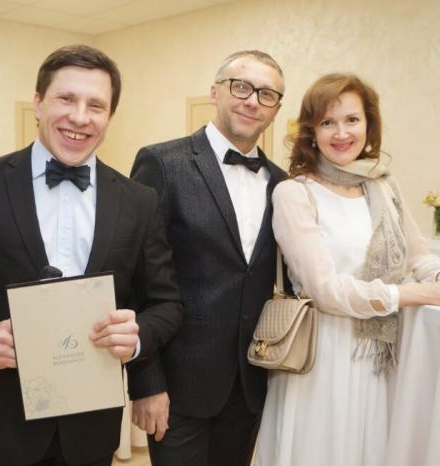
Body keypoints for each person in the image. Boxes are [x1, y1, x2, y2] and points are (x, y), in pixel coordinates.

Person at [0, 44, 183, 466]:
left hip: (90, 432)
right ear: (38, 103)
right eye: (66, 98)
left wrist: (137, 337)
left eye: (96, 105)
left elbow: (166, 303)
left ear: (110, 116)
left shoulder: (139, 200)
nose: (80, 117)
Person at [254, 73, 440, 466]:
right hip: (323, 359)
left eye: (352, 120)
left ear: (369, 124)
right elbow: (325, 291)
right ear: (311, 131)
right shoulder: (294, 192)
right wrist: (424, 293)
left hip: (381, 356)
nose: (341, 133)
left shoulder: (383, 186)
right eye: (327, 122)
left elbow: (418, 255)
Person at [128, 50, 288, 466]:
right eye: (241, 86)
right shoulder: (163, 163)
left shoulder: (283, 184)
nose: (252, 101)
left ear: (276, 109)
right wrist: (146, 382)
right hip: (179, 385)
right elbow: (137, 280)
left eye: (267, 94)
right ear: (215, 92)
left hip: (251, 383)